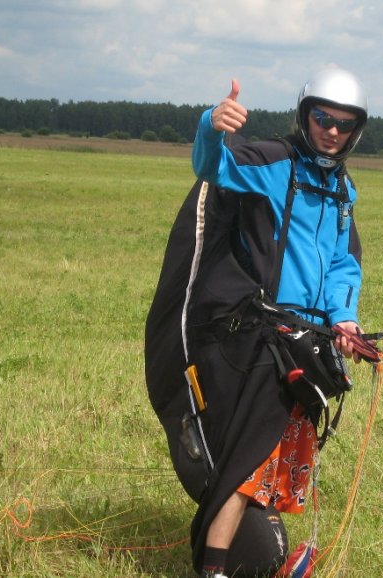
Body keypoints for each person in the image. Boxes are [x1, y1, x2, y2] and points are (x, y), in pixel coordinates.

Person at [145, 67, 369, 578]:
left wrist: (344, 320)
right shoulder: (273, 163)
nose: (332, 131)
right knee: (249, 459)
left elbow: (342, 262)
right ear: (305, 116)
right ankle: (214, 570)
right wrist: (211, 126)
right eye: (323, 118)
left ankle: (248, 554)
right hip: (261, 336)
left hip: (306, 341)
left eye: (344, 124)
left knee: (275, 460)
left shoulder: (342, 190)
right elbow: (214, 167)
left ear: (356, 130)